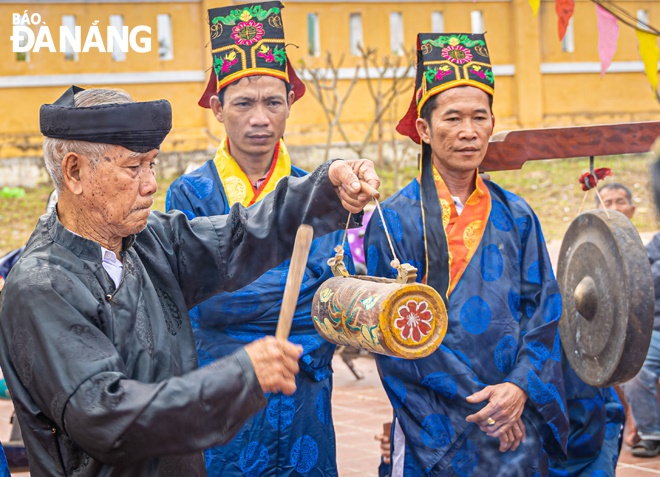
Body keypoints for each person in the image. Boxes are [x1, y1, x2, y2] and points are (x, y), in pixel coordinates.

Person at [0, 85, 380, 476]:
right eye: (133, 168)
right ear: (75, 171)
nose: (150, 184)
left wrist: (324, 190)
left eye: (152, 164)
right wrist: (241, 376)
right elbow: (107, 418)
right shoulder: (42, 286)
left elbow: (237, 237)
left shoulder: (146, 242)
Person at [364, 33, 569, 476]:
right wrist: (483, 405)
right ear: (423, 129)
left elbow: (544, 313)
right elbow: (392, 336)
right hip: (435, 422)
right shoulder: (392, 220)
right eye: (452, 118)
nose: (468, 131)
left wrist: (517, 390)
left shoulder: (518, 215)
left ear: (493, 124)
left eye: (480, 117)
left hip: (516, 417)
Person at [166, 2, 353, 475]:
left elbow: (325, 296)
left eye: (273, 102)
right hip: (226, 394)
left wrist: (240, 294)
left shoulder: (319, 191)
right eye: (243, 103)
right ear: (217, 109)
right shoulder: (190, 192)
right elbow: (205, 306)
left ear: (290, 105)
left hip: (303, 387)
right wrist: (279, 302)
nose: (260, 118)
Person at [598, 182, 660, 458]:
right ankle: (650, 432)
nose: (614, 208)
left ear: (632, 208)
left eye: (620, 201)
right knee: (635, 370)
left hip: (648, 328)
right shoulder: (590, 244)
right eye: (607, 202)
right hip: (644, 332)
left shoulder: (651, 244)